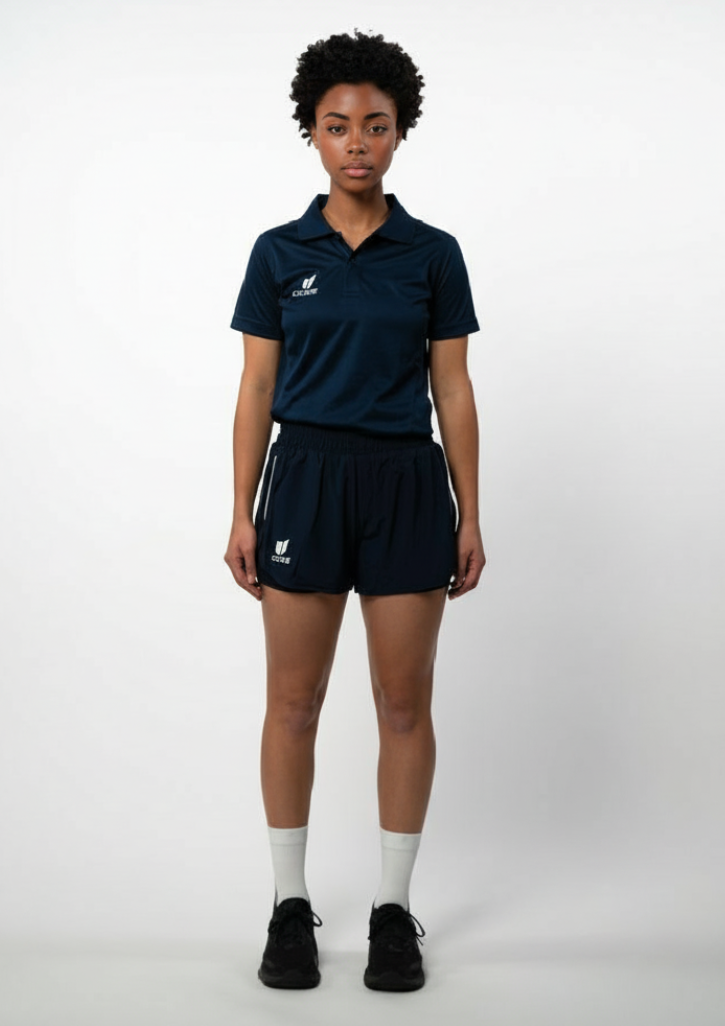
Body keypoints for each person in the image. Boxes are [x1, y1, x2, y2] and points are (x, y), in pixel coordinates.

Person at [224, 29, 485, 992]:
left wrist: (468, 512)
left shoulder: (433, 255)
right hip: (303, 479)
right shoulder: (277, 252)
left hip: (406, 484)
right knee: (294, 703)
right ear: (312, 133)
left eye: (375, 125)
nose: (357, 143)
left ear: (400, 131)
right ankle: (288, 908)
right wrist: (242, 509)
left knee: (402, 703)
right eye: (337, 126)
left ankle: (391, 912)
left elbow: (451, 388)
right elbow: (257, 389)